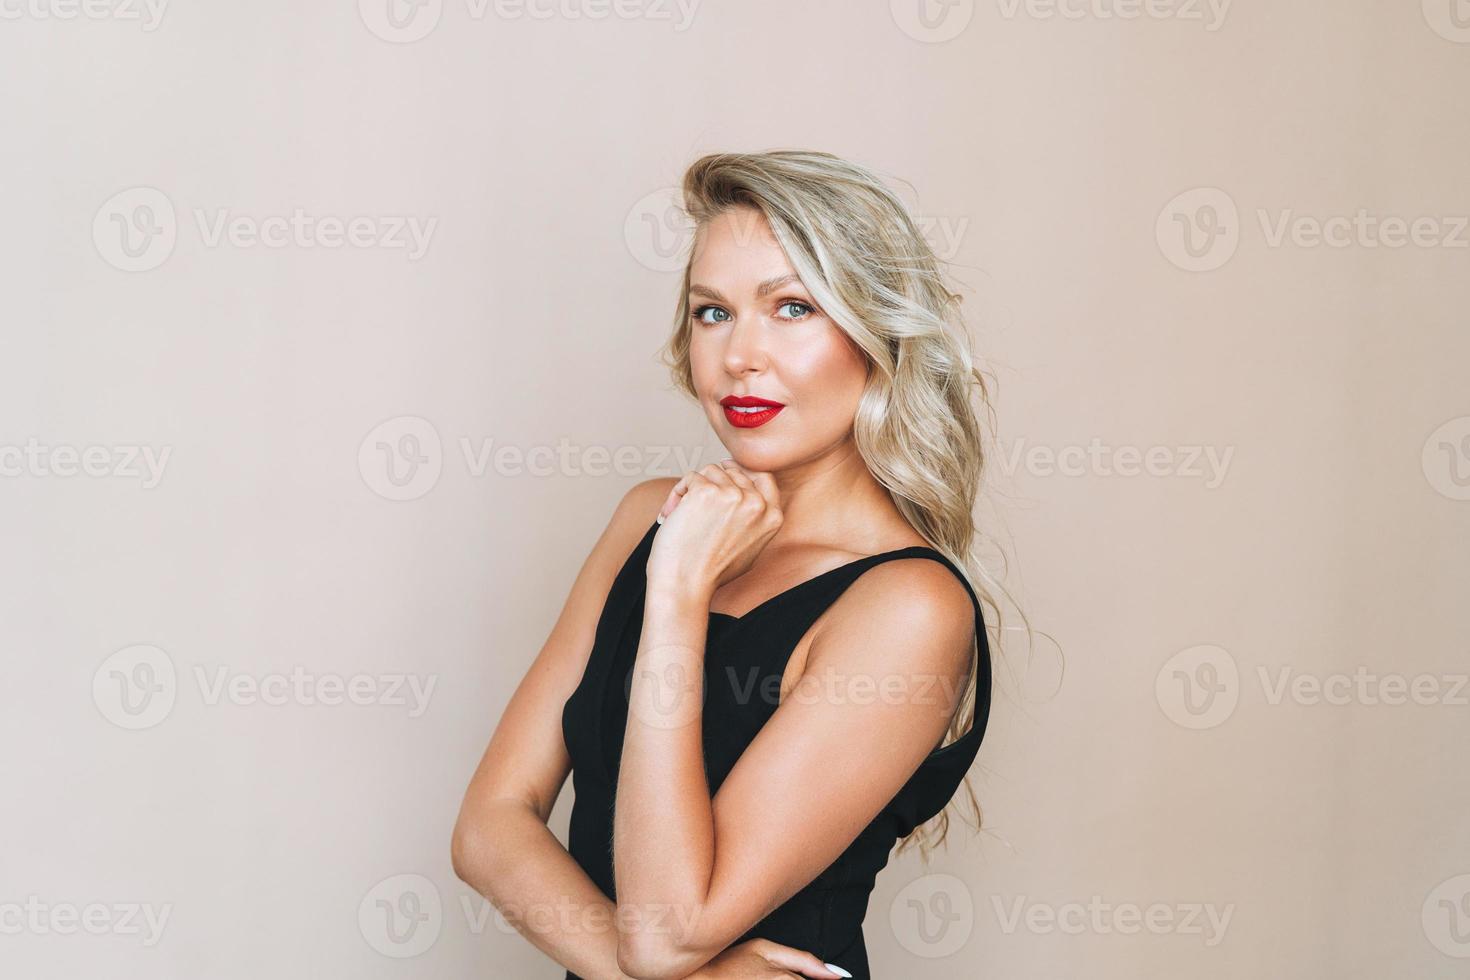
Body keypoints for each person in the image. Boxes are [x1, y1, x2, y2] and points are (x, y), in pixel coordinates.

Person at [453, 150, 998, 979]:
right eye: (713, 313)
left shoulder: (908, 606)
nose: (740, 355)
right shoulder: (649, 515)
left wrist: (675, 596)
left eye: (791, 308)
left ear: (876, 332)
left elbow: (668, 930)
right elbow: (490, 823)